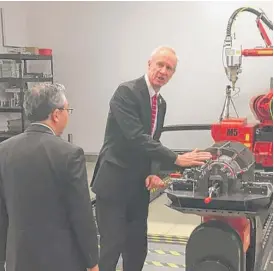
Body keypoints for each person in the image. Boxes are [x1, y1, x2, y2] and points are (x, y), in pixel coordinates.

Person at [90, 46, 212, 271]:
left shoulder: (160, 103)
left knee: (137, 247)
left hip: (138, 186)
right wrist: (176, 159)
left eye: (169, 68)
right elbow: (136, 136)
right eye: (160, 65)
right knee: (112, 246)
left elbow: (153, 138)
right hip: (114, 183)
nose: (163, 71)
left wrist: (154, 171)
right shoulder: (126, 92)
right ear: (149, 64)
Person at [0, 83, 99, 271]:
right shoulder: (69, 154)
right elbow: (81, 214)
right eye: (67, 110)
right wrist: (92, 261)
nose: (68, 115)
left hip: (19, 259)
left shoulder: (4, 151)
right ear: (56, 114)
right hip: (61, 260)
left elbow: (1, 213)